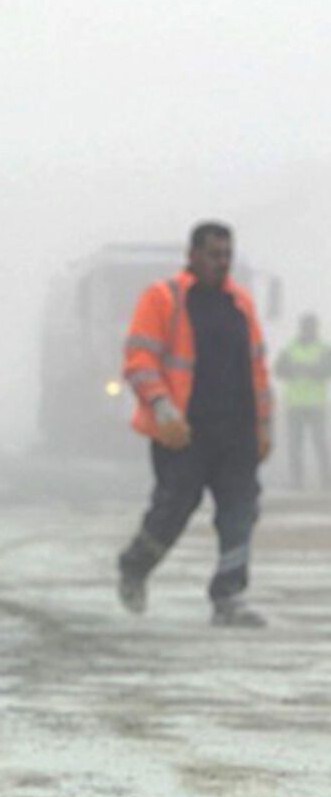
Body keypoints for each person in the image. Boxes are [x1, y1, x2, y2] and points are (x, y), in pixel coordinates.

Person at [116, 221, 273, 627]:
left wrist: (264, 426)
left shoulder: (240, 305)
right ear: (193, 255)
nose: (222, 263)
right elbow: (139, 360)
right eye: (214, 255)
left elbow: (257, 369)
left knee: (240, 512)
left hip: (235, 433)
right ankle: (135, 566)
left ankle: (229, 597)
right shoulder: (163, 298)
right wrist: (162, 407)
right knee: (174, 508)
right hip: (183, 433)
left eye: (227, 255)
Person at [274, 312, 331, 490]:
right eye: (307, 327)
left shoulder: (324, 349)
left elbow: (326, 370)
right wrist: (297, 370)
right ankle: (297, 481)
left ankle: (326, 480)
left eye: (311, 327)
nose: (309, 330)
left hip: (316, 404)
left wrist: (305, 369)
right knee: (295, 446)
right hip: (295, 404)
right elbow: (278, 370)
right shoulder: (290, 348)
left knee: (320, 444)